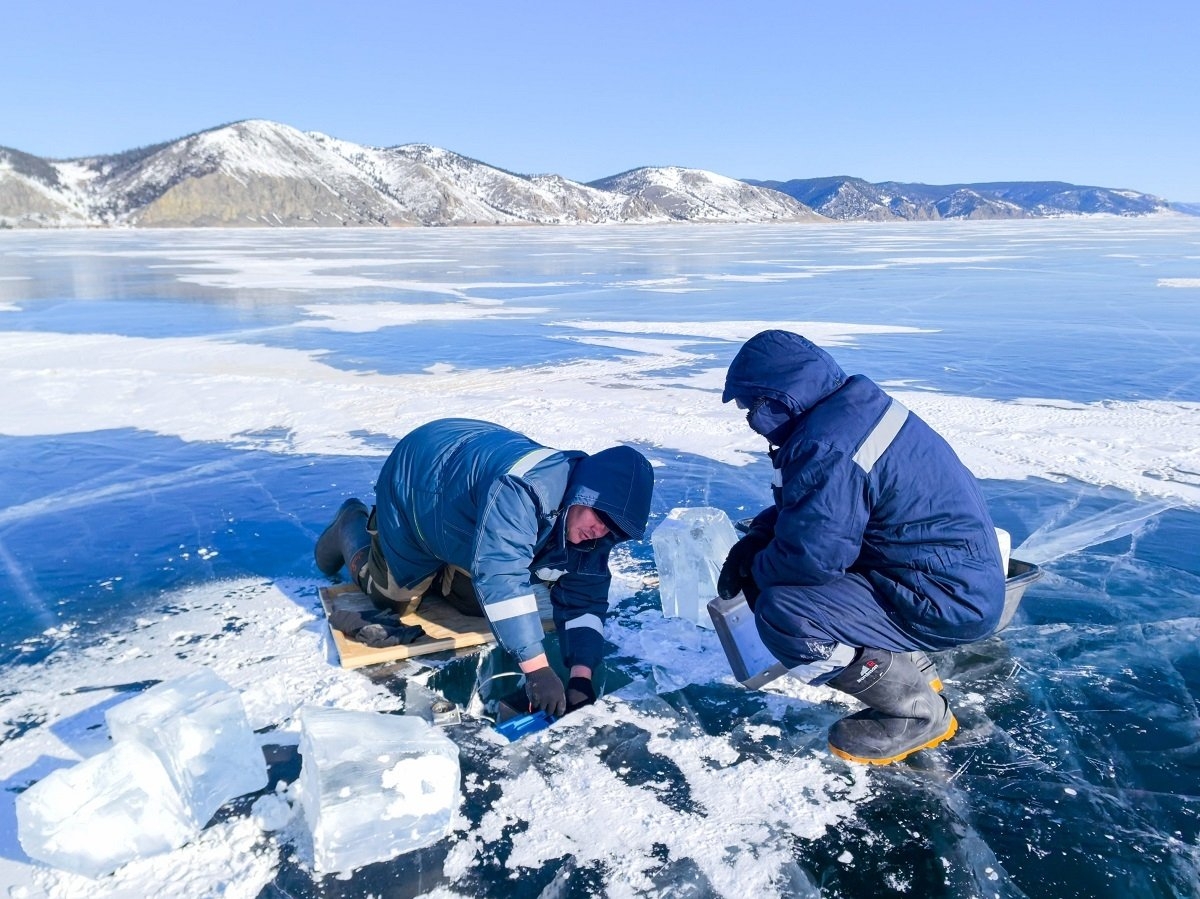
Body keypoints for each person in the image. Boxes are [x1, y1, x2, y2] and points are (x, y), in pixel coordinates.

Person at [718, 330, 1005, 765]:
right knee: (793, 572)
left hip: (945, 600)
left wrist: (755, 572)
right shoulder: (854, 411)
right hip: (954, 579)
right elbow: (820, 507)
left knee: (787, 614)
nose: (749, 418)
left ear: (780, 397)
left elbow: (810, 561)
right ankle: (914, 669)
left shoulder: (826, 444)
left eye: (750, 406)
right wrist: (760, 536)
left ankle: (916, 712)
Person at [315, 418, 654, 719]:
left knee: (480, 607)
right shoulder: (523, 490)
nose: (602, 531)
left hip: (467, 508)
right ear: (583, 494)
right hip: (421, 481)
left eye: (615, 529)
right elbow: (502, 576)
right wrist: (537, 672)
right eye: (601, 518)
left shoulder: (590, 528)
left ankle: (441, 567)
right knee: (393, 599)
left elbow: (584, 598)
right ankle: (352, 526)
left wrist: (581, 675)